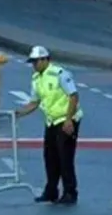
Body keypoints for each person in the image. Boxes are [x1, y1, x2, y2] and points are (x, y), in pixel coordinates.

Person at [15, 46, 82, 205]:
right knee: (50, 157)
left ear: (45, 59)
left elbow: (73, 96)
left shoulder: (59, 74)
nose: (34, 65)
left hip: (66, 120)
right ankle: (51, 191)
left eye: (36, 61)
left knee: (65, 157)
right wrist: (18, 113)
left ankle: (70, 192)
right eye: (32, 62)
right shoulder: (36, 78)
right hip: (51, 121)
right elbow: (34, 102)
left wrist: (68, 120)